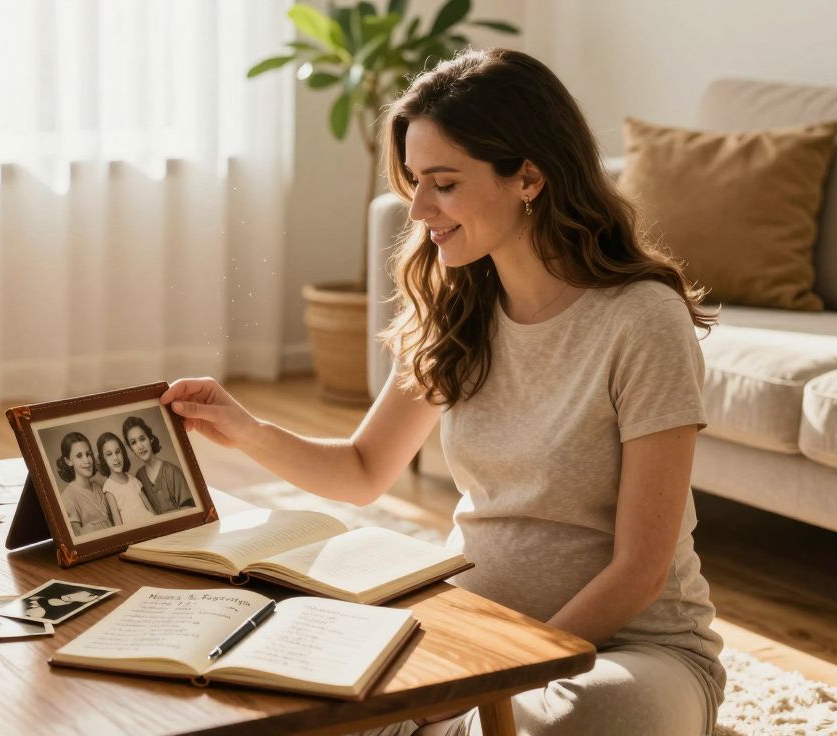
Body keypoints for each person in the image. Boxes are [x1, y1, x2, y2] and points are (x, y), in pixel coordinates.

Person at [162, 48, 725, 736]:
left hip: (632, 650)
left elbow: (639, 569)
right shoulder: (460, 305)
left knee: (565, 723)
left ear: (530, 176)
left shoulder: (642, 319)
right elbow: (365, 469)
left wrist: (492, 676)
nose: (419, 207)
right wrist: (246, 429)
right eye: (415, 181)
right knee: (292, 691)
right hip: (472, 630)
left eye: (444, 183)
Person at [122, 416, 195, 514]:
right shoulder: (139, 477)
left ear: (150, 439)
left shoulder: (171, 471)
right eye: (133, 443)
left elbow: (190, 509)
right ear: (131, 449)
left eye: (142, 439)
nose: (140, 446)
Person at [55, 432, 114, 535]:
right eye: (79, 456)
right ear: (68, 461)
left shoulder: (99, 486)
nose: (87, 460)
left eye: (88, 454)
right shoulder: (67, 498)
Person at [97, 431, 158, 526]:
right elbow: (118, 523)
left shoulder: (134, 481)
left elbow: (152, 511)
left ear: (123, 453)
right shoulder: (109, 488)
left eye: (117, 452)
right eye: (109, 454)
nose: (116, 458)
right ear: (103, 459)